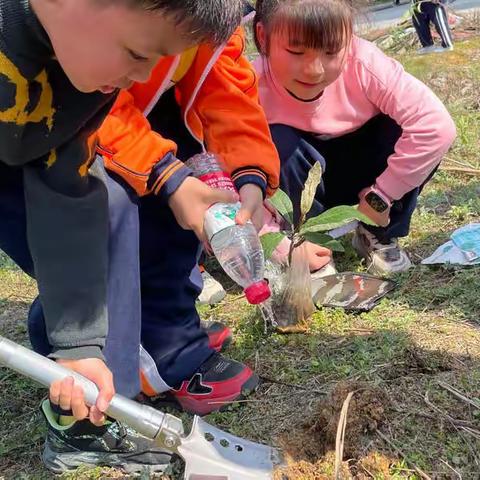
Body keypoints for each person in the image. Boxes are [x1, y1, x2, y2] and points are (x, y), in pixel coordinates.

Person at [0, 0, 244, 473]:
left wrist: (79, 347)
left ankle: (93, 418)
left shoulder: (87, 81)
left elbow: (65, 194)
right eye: (137, 53)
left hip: (18, 163)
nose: (141, 76)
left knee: (107, 201)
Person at [93, 6, 280, 417]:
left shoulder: (217, 13)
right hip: (82, 121)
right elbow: (89, 89)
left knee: (194, 182)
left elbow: (226, 89)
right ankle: (164, 353)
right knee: (140, 207)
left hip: (138, 110)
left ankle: (167, 321)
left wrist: (249, 173)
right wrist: (164, 173)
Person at [252, 0, 456, 275]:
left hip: (368, 181)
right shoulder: (250, 86)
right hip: (299, 183)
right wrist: (276, 242)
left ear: (348, 37)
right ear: (263, 38)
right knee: (278, 141)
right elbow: (228, 177)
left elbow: (436, 126)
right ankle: (306, 242)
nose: (314, 70)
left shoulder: (364, 63)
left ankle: (377, 230)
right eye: (296, 51)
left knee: (399, 128)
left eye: (331, 51)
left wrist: (382, 196)